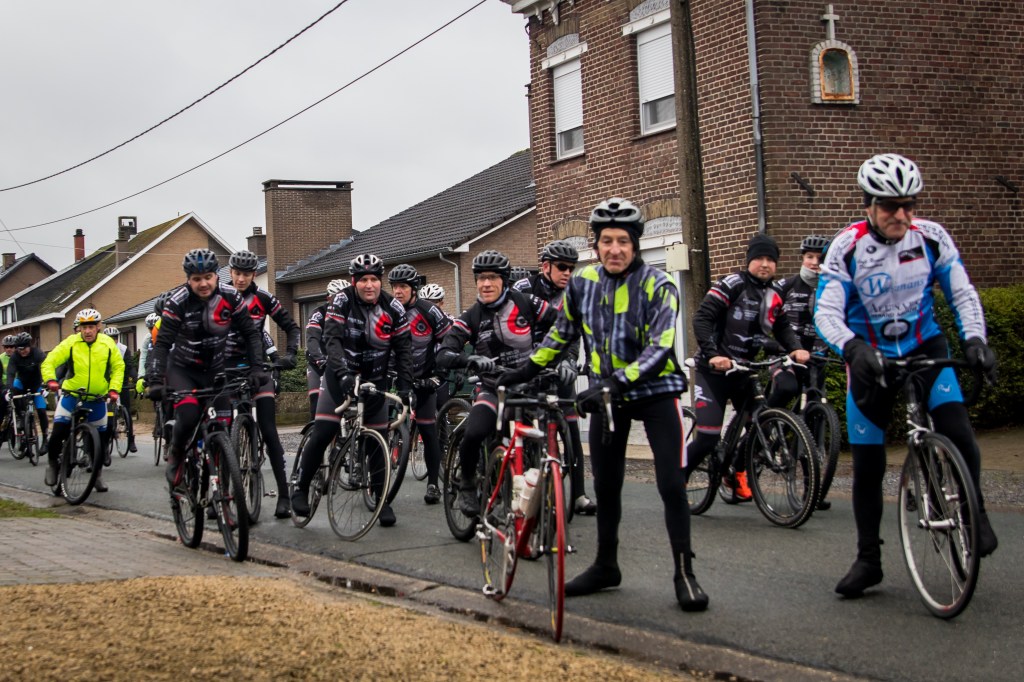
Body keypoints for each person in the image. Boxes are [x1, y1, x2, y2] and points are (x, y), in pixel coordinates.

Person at [499, 198, 708, 612]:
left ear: (635, 245)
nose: (615, 249)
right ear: (595, 246)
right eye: (607, 241)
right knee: (606, 486)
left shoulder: (658, 285)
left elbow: (659, 349)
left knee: (671, 484)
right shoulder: (582, 284)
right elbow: (560, 335)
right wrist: (523, 370)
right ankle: (606, 566)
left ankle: (685, 572)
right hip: (607, 399)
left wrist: (610, 382)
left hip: (655, 393)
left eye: (623, 242)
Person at [815, 153, 999, 597]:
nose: (901, 215)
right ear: (869, 205)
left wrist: (975, 340)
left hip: (923, 348)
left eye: (909, 205)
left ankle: (974, 512)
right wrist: (852, 348)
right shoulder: (847, 247)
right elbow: (825, 312)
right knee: (868, 466)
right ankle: (868, 560)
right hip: (871, 360)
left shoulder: (931, 237)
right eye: (889, 206)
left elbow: (962, 293)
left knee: (958, 430)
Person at [684, 233, 809, 503]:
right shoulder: (732, 284)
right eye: (759, 258)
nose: (765, 264)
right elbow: (702, 319)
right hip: (714, 373)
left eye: (770, 260)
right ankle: (676, 481)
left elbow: (783, 327)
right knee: (707, 438)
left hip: (745, 371)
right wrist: (713, 355)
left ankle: (735, 472)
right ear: (749, 260)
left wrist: (795, 348)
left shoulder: (775, 295)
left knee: (759, 426)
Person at [291, 254, 413, 528]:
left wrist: (406, 386)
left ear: (380, 281)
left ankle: (382, 500)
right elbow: (332, 340)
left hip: (375, 379)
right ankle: (301, 487)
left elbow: (404, 350)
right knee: (324, 430)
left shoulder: (393, 308)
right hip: (340, 375)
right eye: (363, 280)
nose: (369, 285)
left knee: (377, 442)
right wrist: (342, 373)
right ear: (353, 281)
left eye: (374, 280)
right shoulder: (342, 301)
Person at [435, 250, 556, 518]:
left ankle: (542, 494)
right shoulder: (472, 316)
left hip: (528, 387)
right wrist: (470, 359)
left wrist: (563, 359)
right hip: (492, 390)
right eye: (480, 278)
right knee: (475, 433)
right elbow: (444, 354)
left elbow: (563, 327)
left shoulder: (527, 303)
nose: (486, 284)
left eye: (492, 277)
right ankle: (468, 485)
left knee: (544, 441)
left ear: (504, 280)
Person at [146, 249, 266, 488]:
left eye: (208, 277)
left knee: (223, 425)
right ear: (188, 279)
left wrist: (256, 368)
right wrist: (156, 380)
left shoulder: (230, 296)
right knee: (189, 415)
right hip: (184, 370)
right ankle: (177, 454)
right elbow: (162, 344)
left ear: (217, 275)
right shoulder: (178, 302)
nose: (203, 284)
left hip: (215, 370)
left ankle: (219, 489)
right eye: (196, 279)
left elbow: (251, 334)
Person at [513, 239, 596, 515]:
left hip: (559, 364)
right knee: (528, 428)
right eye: (562, 267)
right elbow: (512, 325)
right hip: (528, 362)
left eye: (572, 268)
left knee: (571, 429)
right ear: (545, 266)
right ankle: (527, 487)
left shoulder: (574, 292)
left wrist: (575, 361)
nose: (568, 273)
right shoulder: (524, 288)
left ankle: (579, 495)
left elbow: (579, 331)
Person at [225, 249, 302, 519]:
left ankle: (284, 496)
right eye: (237, 273)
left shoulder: (263, 298)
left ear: (253, 275)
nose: (241, 279)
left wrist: (290, 355)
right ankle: (221, 495)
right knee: (221, 430)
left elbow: (292, 327)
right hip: (226, 369)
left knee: (269, 431)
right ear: (230, 272)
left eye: (246, 274)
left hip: (257, 369)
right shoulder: (219, 297)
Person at [769, 234, 833, 508]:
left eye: (820, 259)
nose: (815, 263)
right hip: (786, 358)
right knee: (787, 389)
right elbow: (763, 318)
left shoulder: (833, 290)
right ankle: (766, 428)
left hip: (817, 360)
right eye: (810, 257)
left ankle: (812, 492)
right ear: (802, 258)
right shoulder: (785, 286)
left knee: (814, 421)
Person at [388, 264, 452, 505]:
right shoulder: (385, 309)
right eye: (394, 287)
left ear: (414, 289)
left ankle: (433, 484)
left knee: (428, 430)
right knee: (378, 423)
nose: (397, 291)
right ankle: (372, 476)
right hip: (393, 376)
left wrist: (439, 374)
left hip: (422, 377)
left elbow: (449, 343)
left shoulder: (429, 311)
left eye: (403, 287)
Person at [40, 310, 125, 492]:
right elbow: (49, 361)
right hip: (71, 396)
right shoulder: (71, 343)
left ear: (98, 327)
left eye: (91, 327)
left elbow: (118, 367)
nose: (87, 331)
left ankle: (97, 474)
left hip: (97, 398)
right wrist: (51, 380)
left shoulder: (107, 344)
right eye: (84, 327)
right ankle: (53, 464)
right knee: (58, 432)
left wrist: (114, 389)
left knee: (101, 440)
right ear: (79, 328)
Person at [304, 279, 348, 421]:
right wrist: (319, 359)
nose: (340, 302)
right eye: (336, 297)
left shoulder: (351, 314)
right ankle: (314, 428)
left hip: (340, 363)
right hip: (318, 364)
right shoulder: (319, 314)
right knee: (316, 399)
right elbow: (312, 339)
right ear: (328, 298)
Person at [6, 331, 51, 451]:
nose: (22, 351)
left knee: (41, 411)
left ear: (29, 346)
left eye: (24, 348)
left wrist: (46, 387)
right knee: (14, 390)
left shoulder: (38, 354)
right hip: (22, 382)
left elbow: (46, 368)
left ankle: (45, 439)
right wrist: (9, 390)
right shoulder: (15, 357)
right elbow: (10, 373)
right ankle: (21, 416)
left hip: (36, 384)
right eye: (19, 349)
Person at [102, 326, 137, 453]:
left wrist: (136, 378)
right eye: (110, 338)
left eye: (115, 338)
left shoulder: (124, 349)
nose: (113, 341)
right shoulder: (100, 350)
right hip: (106, 384)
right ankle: (106, 441)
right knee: (108, 414)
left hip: (122, 383)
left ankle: (131, 440)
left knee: (127, 410)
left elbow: (130, 366)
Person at [1, 336, 16, 443]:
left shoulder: (19, 357)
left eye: (11, 347)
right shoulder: (1, 358)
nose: (9, 349)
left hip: (18, 386)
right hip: (4, 386)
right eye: (6, 347)